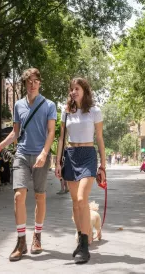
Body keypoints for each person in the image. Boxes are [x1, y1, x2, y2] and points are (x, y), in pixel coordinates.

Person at [0, 68, 57, 261]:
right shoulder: (18, 105)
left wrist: (45, 153)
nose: (32, 84)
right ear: (25, 84)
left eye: (36, 81)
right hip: (22, 154)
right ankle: (21, 242)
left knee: (39, 196)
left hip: (41, 156)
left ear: (40, 83)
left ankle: (37, 236)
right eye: (29, 81)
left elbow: (51, 131)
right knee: (19, 196)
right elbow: (15, 133)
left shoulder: (49, 105)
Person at [55, 77, 106, 264]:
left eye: (77, 88)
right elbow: (61, 139)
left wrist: (103, 165)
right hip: (70, 155)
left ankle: (85, 246)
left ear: (84, 90)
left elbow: (100, 138)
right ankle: (81, 238)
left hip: (88, 155)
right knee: (75, 203)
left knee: (82, 199)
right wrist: (58, 162)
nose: (73, 92)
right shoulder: (66, 112)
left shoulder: (95, 111)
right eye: (72, 89)